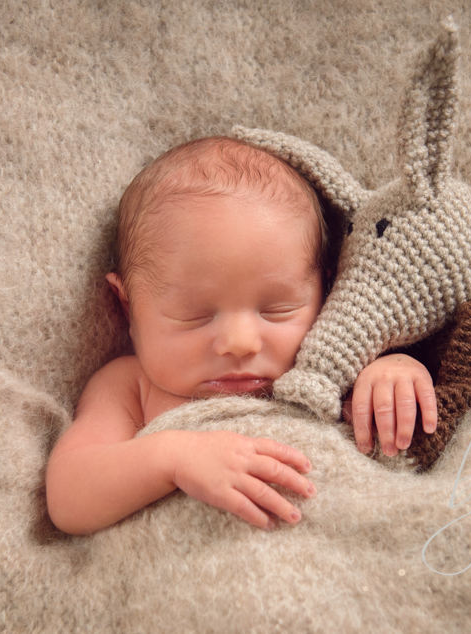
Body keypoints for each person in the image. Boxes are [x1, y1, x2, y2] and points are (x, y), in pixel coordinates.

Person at [45, 137, 438, 535]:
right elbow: (69, 497)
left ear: (326, 293)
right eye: (195, 315)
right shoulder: (131, 385)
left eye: (276, 310)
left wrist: (395, 370)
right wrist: (174, 458)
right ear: (129, 308)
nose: (240, 342)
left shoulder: (340, 366)